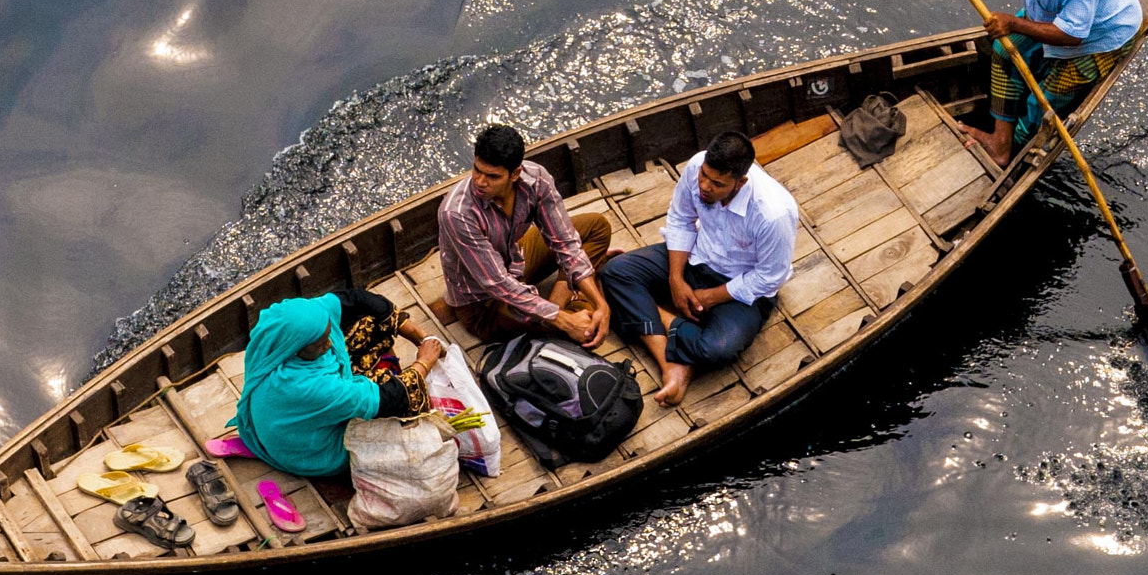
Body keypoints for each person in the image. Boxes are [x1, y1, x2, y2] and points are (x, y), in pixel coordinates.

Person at [911, 0, 1142, 163]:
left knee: (1044, 99)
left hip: (1099, 38)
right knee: (1003, 51)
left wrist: (1013, 23)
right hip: (1049, 15)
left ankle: (1013, 149)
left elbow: (1072, 36)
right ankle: (1001, 142)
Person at [598, 131, 797, 406]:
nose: (704, 185)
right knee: (615, 272)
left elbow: (769, 277)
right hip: (695, 257)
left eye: (717, 183)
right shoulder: (696, 166)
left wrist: (709, 297)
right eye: (704, 175)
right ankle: (671, 365)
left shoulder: (773, 213)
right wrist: (676, 280)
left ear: (741, 183)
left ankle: (658, 315)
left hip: (739, 285)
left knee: (717, 349)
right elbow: (680, 219)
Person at [235, 287, 443, 479]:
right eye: (320, 343)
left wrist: (414, 332)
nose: (330, 343)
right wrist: (424, 362)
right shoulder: (307, 387)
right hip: (315, 453)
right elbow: (392, 398)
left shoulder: (279, 332)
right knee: (406, 407)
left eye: (327, 335)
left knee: (370, 320)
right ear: (296, 348)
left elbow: (358, 299)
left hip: (289, 421)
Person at [436, 124, 614, 347]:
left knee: (596, 226)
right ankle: (573, 295)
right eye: (476, 169)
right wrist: (566, 320)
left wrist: (601, 304)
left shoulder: (536, 180)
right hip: (484, 302)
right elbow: (498, 284)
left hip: (514, 261)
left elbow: (565, 242)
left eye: (492, 176)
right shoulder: (457, 213)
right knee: (586, 327)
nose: (480, 182)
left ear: (515, 174)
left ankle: (570, 295)